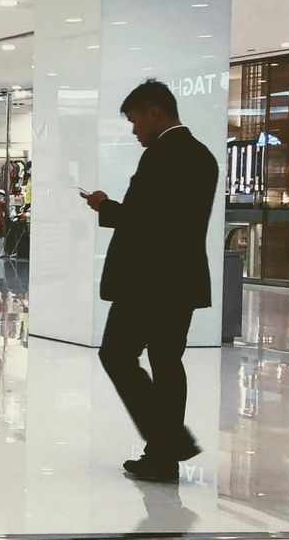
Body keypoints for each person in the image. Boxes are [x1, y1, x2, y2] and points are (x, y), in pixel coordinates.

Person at [82, 79, 218, 483]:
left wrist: (106, 206)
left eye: (136, 120)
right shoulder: (199, 155)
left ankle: (170, 442)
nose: (134, 130)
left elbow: (149, 221)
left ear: (155, 112)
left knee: (118, 355)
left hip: (149, 281)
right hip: (179, 279)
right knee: (165, 362)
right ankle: (163, 455)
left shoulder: (165, 155)